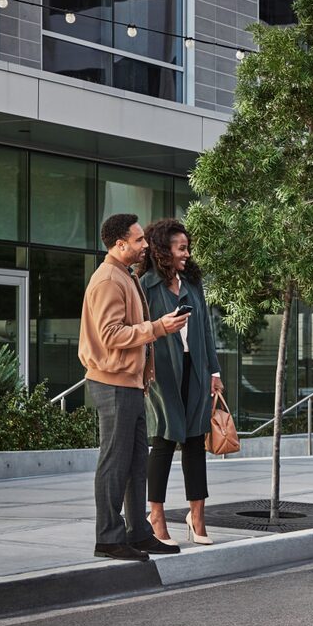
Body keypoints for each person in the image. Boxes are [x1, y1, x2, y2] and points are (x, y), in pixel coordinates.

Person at [80, 213, 189, 561]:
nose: (145, 245)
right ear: (119, 243)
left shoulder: (124, 276)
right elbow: (110, 335)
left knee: (135, 463)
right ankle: (109, 538)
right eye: (138, 239)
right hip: (113, 384)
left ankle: (138, 532)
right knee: (114, 463)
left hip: (129, 384)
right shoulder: (108, 280)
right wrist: (158, 327)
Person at [138, 219, 223, 546]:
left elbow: (205, 331)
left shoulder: (191, 283)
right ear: (163, 250)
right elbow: (143, 332)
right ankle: (156, 516)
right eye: (181, 248)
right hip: (163, 373)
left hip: (196, 369)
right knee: (162, 440)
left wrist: (214, 372)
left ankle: (196, 515)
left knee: (194, 442)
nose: (187, 253)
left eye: (187, 248)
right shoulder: (145, 285)